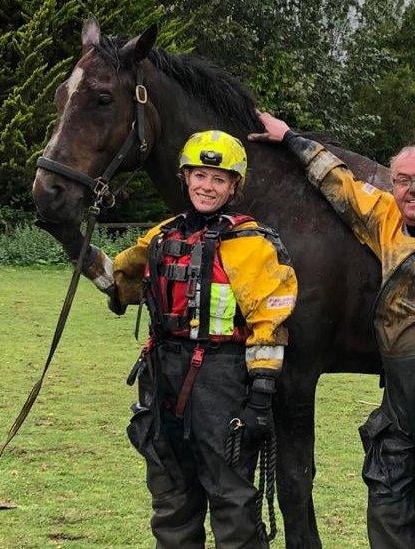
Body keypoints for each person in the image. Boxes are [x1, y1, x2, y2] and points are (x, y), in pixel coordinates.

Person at [250, 113, 415, 548]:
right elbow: (339, 184)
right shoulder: (387, 220)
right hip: (398, 389)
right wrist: (291, 139)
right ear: (393, 185)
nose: (414, 188)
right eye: (403, 179)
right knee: (387, 498)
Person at [103, 129, 297, 548]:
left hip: (222, 378)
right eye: (200, 176)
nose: (207, 187)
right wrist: (73, 241)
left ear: (233, 187)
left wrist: (261, 397)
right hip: (163, 374)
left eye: (219, 179)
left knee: (230, 495)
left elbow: (271, 321)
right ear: (185, 177)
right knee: (171, 495)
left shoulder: (252, 244)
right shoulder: (162, 236)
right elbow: (120, 280)